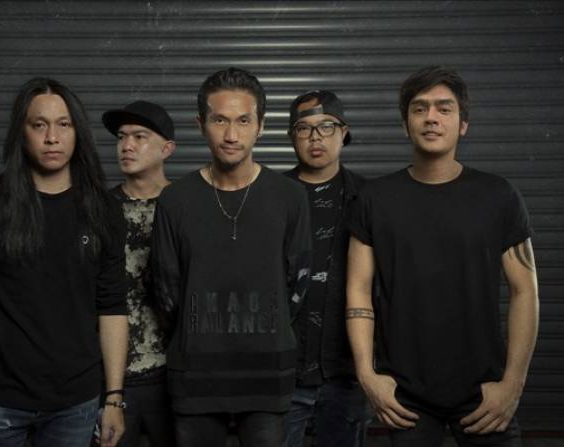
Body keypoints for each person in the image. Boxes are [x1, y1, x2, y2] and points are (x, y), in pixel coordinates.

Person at [0, 77, 129, 447]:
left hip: (76, 404)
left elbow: (113, 306)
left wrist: (114, 398)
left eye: (63, 124)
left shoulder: (104, 210)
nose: (52, 137)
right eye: (39, 125)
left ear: (78, 133)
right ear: (21, 133)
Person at [346, 65, 539, 447]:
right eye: (419, 108)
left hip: (484, 392)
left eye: (444, 108)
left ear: (463, 124)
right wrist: (369, 377)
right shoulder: (374, 200)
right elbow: (358, 290)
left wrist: (512, 385)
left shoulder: (499, 196)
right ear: (405, 124)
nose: (431, 117)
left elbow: (525, 291)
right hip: (406, 396)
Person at [149, 67, 312, 447]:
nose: (231, 135)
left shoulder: (290, 196)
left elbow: (299, 280)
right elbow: (165, 290)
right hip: (195, 374)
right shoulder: (175, 200)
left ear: (261, 126)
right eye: (219, 120)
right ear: (200, 124)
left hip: (268, 373)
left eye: (243, 121)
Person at [283, 90, 371, 447]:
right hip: (283, 371)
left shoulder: (369, 197)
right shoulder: (271, 195)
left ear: (343, 132)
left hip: (347, 371)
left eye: (326, 127)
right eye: (304, 128)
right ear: (292, 136)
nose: (315, 137)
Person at [100, 100, 176, 446]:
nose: (127, 146)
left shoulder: (188, 206)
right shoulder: (99, 210)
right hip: (113, 379)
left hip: (174, 377)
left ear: (167, 148)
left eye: (140, 136)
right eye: (121, 137)